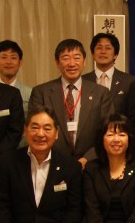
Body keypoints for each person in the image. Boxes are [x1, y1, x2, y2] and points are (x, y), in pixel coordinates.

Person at [29, 38, 113, 167]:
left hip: (91, 164)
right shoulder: (41, 92)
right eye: (66, 58)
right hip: (52, 163)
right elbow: (36, 131)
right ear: (57, 63)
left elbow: (107, 131)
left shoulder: (101, 93)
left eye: (77, 58)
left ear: (84, 62)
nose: (72, 63)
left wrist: (87, 159)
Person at [83, 32, 134, 115]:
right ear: (92, 54)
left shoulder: (129, 81)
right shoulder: (83, 80)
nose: (103, 51)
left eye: (108, 48)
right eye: (99, 48)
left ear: (115, 55)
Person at [0, 39, 31, 113]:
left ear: (20, 63)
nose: (8, 62)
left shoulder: (29, 93)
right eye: (4, 57)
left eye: (13, 58)